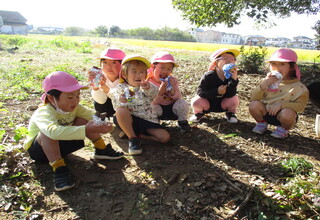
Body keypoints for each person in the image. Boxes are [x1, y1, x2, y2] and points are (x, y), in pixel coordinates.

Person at [24, 71, 124, 192]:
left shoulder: (76, 108)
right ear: (51, 98)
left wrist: (106, 124)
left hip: (62, 145)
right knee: (47, 132)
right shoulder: (44, 112)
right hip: (40, 152)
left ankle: (101, 149)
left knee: (83, 120)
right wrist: (85, 129)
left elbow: (91, 116)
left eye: (77, 96)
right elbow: (53, 132)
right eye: (70, 97)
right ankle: (58, 167)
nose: (75, 101)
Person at [108, 55, 170, 155]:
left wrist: (147, 87)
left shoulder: (147, 85)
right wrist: (121, 100)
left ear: (146, 74)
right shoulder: (120, 88)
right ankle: (133, 139)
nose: (138, 75)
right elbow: (115, 102)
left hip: (147, 119)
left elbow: (155, 94)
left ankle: (138, 135)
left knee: (164, 137)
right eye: (134, 71)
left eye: (142, 71)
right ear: (124, 74)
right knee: (121, 110)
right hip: (128, 119)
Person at [249, 48, 309, 139]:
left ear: (292, 67)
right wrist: (262, 86)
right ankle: (261, 123)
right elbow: (253, 97)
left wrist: (282, 105)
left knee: (287, 113)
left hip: (284, 116)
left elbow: (300, 106)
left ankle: (283, 129)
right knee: (254, 105)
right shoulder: (267, 82)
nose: (276, 67)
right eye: (273, 64)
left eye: (282, 64)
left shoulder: (299, 88)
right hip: (266, 111)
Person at [189, 48, 240, 123]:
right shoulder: (209, 76)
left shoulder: (232, 76)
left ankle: (230, 113)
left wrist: (234, 80)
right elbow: (200, 92)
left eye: (232, 59)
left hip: (223, 104)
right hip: (207, 103)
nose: (229, 61)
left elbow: (231, 94)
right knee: (196, 101)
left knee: (234, 99)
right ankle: (199, 113)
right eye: (225, 58)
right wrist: (217, 91)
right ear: (216, 63)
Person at [147, 51, 191, 132]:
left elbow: (178, 97)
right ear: (153, 67)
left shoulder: (172, 80)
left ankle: (182, 122)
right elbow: (151, 99)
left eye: (169, 69)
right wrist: (160, 91)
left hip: (172, 108)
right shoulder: (149, 82)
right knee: (149, 107)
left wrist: (172, 92)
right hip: (158, 108)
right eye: (162, 67)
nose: (165, 71)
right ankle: (154, 123)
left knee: (182, 103)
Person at [88, 47, 126, 118]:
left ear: (123, 65)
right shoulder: (99, 76)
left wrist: (106, 89)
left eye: (114, 63)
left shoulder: (126, 78)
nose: (108, 66)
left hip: (122, 107)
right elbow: (101, 101)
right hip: (106, 106)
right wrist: (95, 87)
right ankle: (104, 118)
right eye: (105, 62)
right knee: (98, 103)